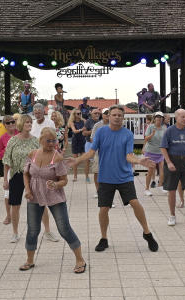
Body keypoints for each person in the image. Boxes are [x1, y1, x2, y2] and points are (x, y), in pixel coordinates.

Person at [68, 106, 159, 252]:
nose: (117, 117)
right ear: (109, 116)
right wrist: (76, 161)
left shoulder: (127, 134)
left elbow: (128, 155)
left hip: (124, 176)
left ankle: (147, 233)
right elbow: (91, 152)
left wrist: (139, 161)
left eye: (120, 115)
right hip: (105, 177)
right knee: (104, 208)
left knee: (135, 202)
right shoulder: (101, 132)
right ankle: (104, 238)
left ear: (123, 118)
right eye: (114, 115)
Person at [19, 128, 87, 273]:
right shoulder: (32, 154)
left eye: (54, 140)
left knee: (64, 228)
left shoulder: (57, 157)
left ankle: (80, 259)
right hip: (34, 195)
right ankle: (30, 260)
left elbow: (64, 180)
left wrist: (55, 184)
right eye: (48, 140)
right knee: (32, 229)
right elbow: (26, 174)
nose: (52, 143)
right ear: (40, 140)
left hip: (54, 196)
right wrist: (28, 190)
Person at [161, 109, 185, 227]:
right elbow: (163, 147)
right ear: (176, 117)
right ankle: (172, 216)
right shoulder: (169, 131)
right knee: (171, 190)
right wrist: (168, 162)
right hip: (172, 160)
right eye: (183, 117)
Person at [0, 114, 20, 227]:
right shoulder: (3, 138)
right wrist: (7, 154)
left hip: (22, 167)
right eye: (8, 123)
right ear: (4, 125)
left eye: (12, 122)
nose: (11, 124)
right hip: (9, 168)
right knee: (7, 194)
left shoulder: (20, 134)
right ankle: (8, 215)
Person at [143, 111, 167, 195]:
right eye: (157, 117)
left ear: (162, 119)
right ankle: (146, 188)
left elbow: (166, 139)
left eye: (160, 117)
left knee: (162, 170)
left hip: (160, 152)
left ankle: (160, 186)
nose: (159, 119)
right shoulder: (150, 126)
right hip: (150, 152)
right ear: (155, 118)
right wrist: (152, 134)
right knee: (150, 170)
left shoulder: (164, 127)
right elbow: (146, 139)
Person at [67, 109, 88, 181]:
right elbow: (74, 131)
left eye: (80, 113)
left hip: (82, 141)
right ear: (74, 115)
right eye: (78, 113)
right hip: (75, 141)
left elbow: (87, 129)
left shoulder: (84, 121)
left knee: (85, 159)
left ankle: (87, 177)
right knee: (75, 159)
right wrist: (82, 129)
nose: (79, 114)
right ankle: (75, 177)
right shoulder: (72, 122)